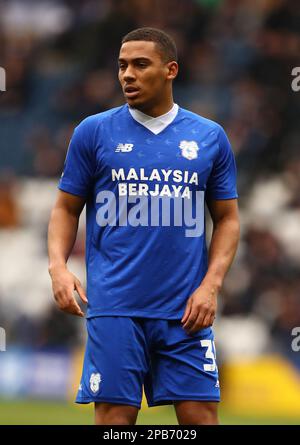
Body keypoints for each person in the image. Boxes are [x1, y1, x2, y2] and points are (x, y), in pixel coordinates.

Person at [48, 27, 240, 425]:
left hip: (185, 311)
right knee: (116, 421)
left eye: (140, 64)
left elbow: (227, 219)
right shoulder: (93, 132)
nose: (127, 75)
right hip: (116, 307)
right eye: (121, 66)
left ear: (171, 70)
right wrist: (58, 267)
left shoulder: (209, 137)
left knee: (201, 418)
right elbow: (66, 208)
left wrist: (211, 286)